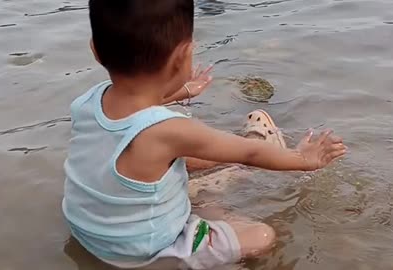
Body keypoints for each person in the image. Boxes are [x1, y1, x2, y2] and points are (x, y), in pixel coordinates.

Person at [62, 0, 348, 269]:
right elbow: (250, 155)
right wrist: (302, 158)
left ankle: (206, 194)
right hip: (144, 254)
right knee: (263, 236)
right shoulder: (170, 130)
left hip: (91, 235)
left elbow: (135, 108)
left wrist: (184, 92)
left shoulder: (88, 100)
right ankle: (253, 150)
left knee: (174, 166)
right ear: (183, 56)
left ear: (95, 50)